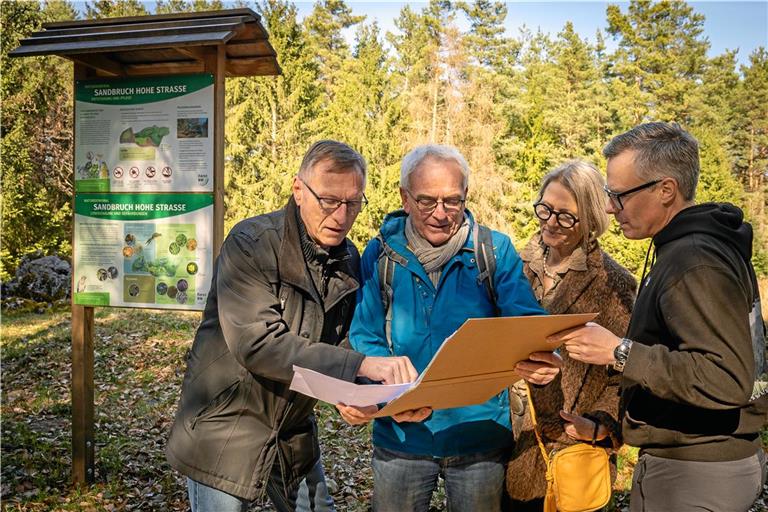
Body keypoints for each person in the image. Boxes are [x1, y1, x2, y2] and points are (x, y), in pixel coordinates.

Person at [165, 140, 420, 512]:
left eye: (353, 203)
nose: (340, 215)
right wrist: (361, 366)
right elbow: (259, 344)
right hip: (225, 429)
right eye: (329, 200)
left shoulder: (346, 257)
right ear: (298, 190)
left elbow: (342, 341)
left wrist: (357, 392)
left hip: (292, 429)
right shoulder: (252, 244)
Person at [551, 122, 768, 511]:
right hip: (693, 465)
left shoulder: (695, 261)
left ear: (666, 190)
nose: (607, 207)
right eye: (607, 194)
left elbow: (728, 377)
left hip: (695, 475)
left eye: (618, 195)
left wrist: (620, 352)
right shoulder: (684, 251)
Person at [337, 144, 562, 512]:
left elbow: (524, 319)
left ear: (466, 197)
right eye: (427, 201)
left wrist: (541, 352)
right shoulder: (379, 255)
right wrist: (382, 396)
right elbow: (366, 336)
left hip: (478, 433)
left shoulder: (493, 250)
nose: (440, 214)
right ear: (405, 198)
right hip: (402, 434)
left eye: (452, 201)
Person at [505, 160, 637, 510]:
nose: (550, 222)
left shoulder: (614, 283)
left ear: (591, 220)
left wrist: (601, 426)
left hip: (570, 452)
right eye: (545, 208)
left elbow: (626, 373)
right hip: (505, 445)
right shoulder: (511, 267)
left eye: (566, 216)